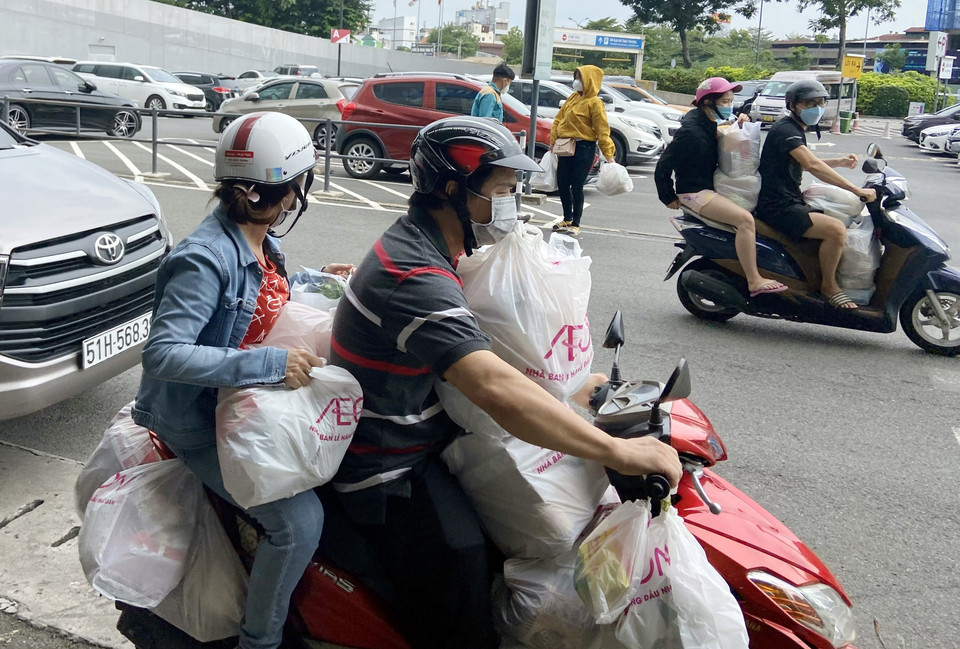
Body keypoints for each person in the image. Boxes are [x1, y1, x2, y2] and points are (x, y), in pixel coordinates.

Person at [328, 116, 681, 649]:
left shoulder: (441, 253)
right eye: (501, 190)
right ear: (453, 189)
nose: (512, 202)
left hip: (435, 432)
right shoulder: (415, 276)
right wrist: (617, 451)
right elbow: (491, 385)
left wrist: (573, 383)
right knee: (463, 553)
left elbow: (507, 354)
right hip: (390, 466)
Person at [132, 111, 354, 649]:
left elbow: (263, 299)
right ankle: (260, 641)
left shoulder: (259, 239)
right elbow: (163, 353)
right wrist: (269, 365)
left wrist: (320, 281)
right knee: (298, 522)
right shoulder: (204, 260)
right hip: (195, 422)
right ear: (291, 189)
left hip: (237, 403)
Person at [655, 77, 787, 297]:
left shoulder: (709, 123)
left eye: (731, 101)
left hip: (711, 187)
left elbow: (737, 151)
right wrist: (667, 196)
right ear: (708, 102)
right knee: (744, 220)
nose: (730, 106)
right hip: (694, 192)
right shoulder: (690, 131)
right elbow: (663, 164)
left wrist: (739, 127)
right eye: (725, 101)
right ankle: (754, 280)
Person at [755, 80, 876, 310]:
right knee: (836, 230)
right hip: (778, 206)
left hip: (788, 199)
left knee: (840, 219)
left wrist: (839, 162)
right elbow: (812, 164)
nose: (816, 108)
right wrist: (857, 190)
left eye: (820, 102)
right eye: (810, 103)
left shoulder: (794, 128)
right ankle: (829, 286)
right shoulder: (786, 130)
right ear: (793, 106)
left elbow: (805, 164)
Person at [550, 64, 615, 236]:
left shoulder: (595, 103)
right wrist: (553, 138)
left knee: (577, 185)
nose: (575, 82)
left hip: (584, 148)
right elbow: (558, 119)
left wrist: (609, 154)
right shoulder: (573, 98)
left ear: (589, 80)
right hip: (566, 146)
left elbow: (602, 130)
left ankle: (576, 223)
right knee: (562, 182)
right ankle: (567, 218)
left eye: (579, 78)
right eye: (575, 77)